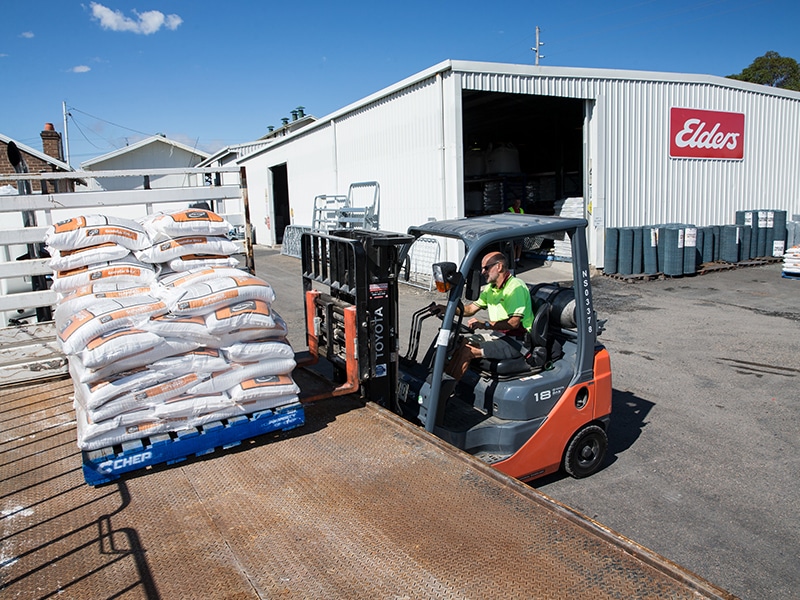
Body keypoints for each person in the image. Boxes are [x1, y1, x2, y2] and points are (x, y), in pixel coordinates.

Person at [438, 252, 534, 381]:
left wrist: (485, 325)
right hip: (499, 335)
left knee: (468, 351)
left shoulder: (515, 287)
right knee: (457, 343)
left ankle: (445, 393)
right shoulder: (491, 288)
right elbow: (470, 309)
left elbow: (514, 323)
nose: (483, 272)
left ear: (499, 267)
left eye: (486, 268)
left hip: (516, 340)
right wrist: (447, 309)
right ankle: (441, 384)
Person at [507, 198, 525, 265]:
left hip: (520, 230)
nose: (518, 204)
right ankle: (514, 261)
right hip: (513, 230)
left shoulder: (521, 210)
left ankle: (518, 260)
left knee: (519, 246)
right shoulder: (510, 210)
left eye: (519, 203)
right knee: (514, 246)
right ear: (514, 203)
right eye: (517, 203)